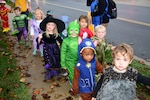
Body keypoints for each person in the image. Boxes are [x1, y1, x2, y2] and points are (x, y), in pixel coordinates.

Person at [38, 16, 65, 80]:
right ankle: (50, 73)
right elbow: (39, 43)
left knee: (56, 60)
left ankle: (57, 71)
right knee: (48, 61)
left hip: (55, 50)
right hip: (47, 50)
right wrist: (39, 38)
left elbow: (62, 42)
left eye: (52, 25)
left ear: (54, 27)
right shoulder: (44, 35)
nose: (50, 26)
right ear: (46, 26)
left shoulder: (56, 35)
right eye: (48, 24)